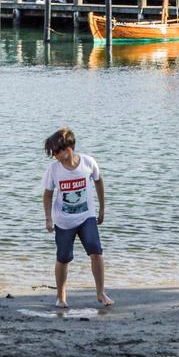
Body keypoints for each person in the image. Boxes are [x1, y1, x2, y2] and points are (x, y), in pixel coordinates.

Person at [41, 128, 109, 309]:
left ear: (68, 149)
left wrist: (102, 209)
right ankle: (61, 296)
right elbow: (47, 195)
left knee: (96, 251)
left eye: (56, 151)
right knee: (63, 258)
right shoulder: (54, 169)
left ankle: (100, 292)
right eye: (52, 153)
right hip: (63, 221)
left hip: (87, 216)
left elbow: (98, 181)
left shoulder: (88, 162)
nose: (54, 155)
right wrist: (48, 218)